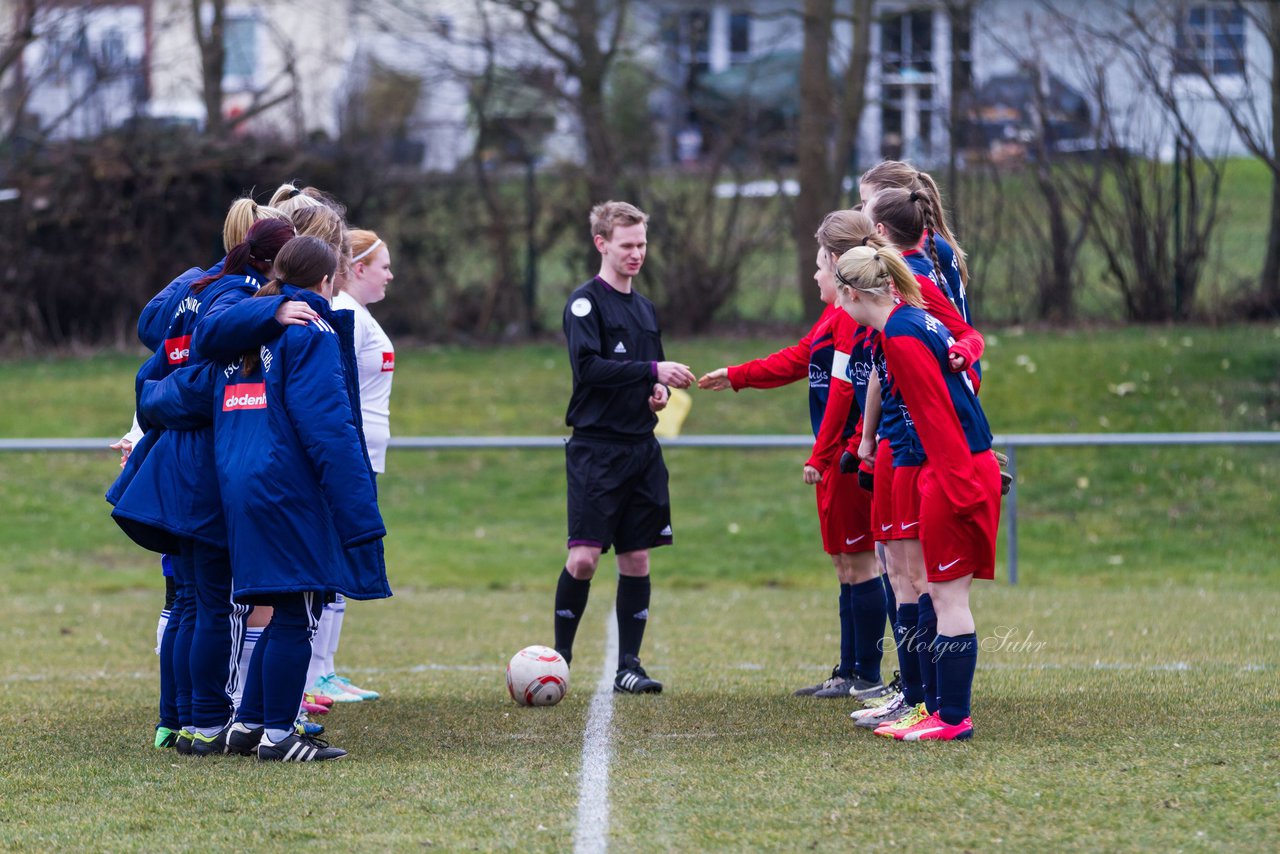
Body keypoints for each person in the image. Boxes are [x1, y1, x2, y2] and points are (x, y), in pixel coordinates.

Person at [148, 235, 390, 761]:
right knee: (297, 610)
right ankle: (280, 738)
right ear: (327, 282)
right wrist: (359, 512)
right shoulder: (312, 332)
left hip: (237, 483)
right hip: (288, 486)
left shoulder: (242, 334)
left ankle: (249, 723)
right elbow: (328, 428)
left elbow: (182, 383)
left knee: (276, 603)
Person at [112, 217, 301, 756]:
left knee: (192, 601)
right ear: (270, 264)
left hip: (176, 463)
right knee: (211, 603)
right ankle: (205, 721)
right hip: (201, 468)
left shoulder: (198, 287)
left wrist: (152, 401)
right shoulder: (234, 295)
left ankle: (178, 722)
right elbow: (198, 382)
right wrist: (271, 313)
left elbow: (151, 372)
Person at [698, 209, 887, 700]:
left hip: (848, 460)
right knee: (846, 563)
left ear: (842, 265)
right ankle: (849, 668)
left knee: (861, 562)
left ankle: (865, 672)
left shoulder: (853, 318)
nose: (815, 274)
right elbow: (799, 358)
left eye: (821, 264)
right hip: (833, 462)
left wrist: (826, 457)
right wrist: (738, 375)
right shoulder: (833, 315)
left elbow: (846, 394)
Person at [834, 244, 1001, 741]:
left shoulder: (902, 337)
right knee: (936, 592)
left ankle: (951, 718)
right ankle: (935, 710)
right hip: (955, 468)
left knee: (946, 597)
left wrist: (960, 486)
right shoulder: (908, 321)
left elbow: (937, 417)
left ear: (850, 292)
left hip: (953, 472)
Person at [552, 201, 695, 694]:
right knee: (585, 559)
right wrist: (653, 372)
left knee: (638, 559)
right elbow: (589, 369)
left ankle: (629, 666)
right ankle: (560, 659)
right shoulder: (584, 304)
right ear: (602, 244)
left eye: (642, 245)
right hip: (596, 450)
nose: (637, 254)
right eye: (627, 245)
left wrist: (657, 393)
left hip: (642, 449)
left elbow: (648, 375)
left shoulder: (645, 308)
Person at [306, 227, 395, 704]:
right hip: (349, 456)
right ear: (356, 268)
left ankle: (325, 668)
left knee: (344, 563)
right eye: (383, 266)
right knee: (333, 564)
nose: (390, 275)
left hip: (367, 456)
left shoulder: (358, 315)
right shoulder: (344, 315)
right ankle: (313, 673)